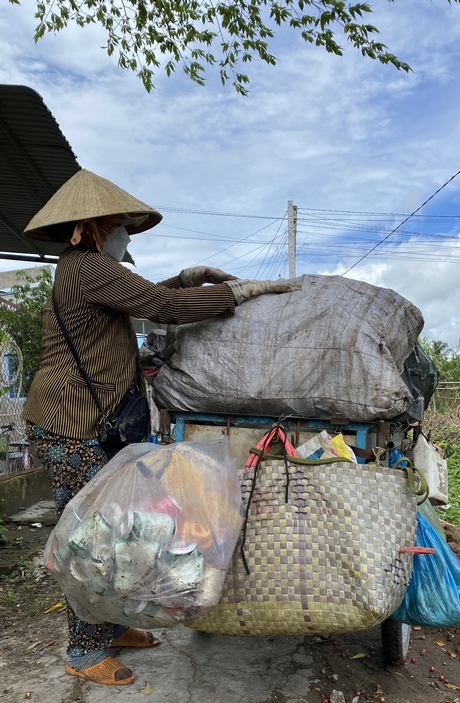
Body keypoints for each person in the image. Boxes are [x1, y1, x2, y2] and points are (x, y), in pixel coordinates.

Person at [22, 169, 300, 686]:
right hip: (71, 422)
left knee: (120, 529)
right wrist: (239, 293)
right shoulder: (87, 268)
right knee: (90, 538)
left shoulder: (89, 270)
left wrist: (189, 278)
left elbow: (148, 297)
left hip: (88, 419)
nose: (128, 232)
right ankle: (83, 653)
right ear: (96, 226)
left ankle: (109, 626)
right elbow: (162, 308)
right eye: (122, 223)